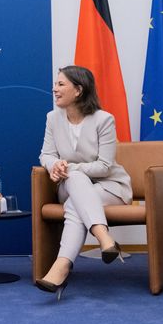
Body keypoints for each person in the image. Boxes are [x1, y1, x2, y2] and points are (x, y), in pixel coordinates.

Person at [37, 65, 132, 299]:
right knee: (76, 181)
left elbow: (104, 166)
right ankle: (104, 238)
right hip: (69, 186)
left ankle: (60, 268)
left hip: (110, 186)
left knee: (73, 206)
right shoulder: (53, 118)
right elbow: (46, 154)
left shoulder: (104, 120)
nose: (54, 89)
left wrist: (68, 167)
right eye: (55, 84)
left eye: (61, 84)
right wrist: (53, 165)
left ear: (78, 90)